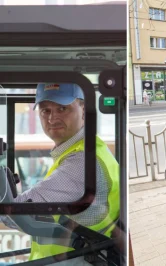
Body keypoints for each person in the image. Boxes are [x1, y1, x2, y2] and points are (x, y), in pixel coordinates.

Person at [4, 83, 120, 264]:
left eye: (62, 108)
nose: (52, 118)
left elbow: (15, 213)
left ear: (83, 110)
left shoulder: (81, 163)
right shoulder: (83, 151)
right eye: (45, 111)